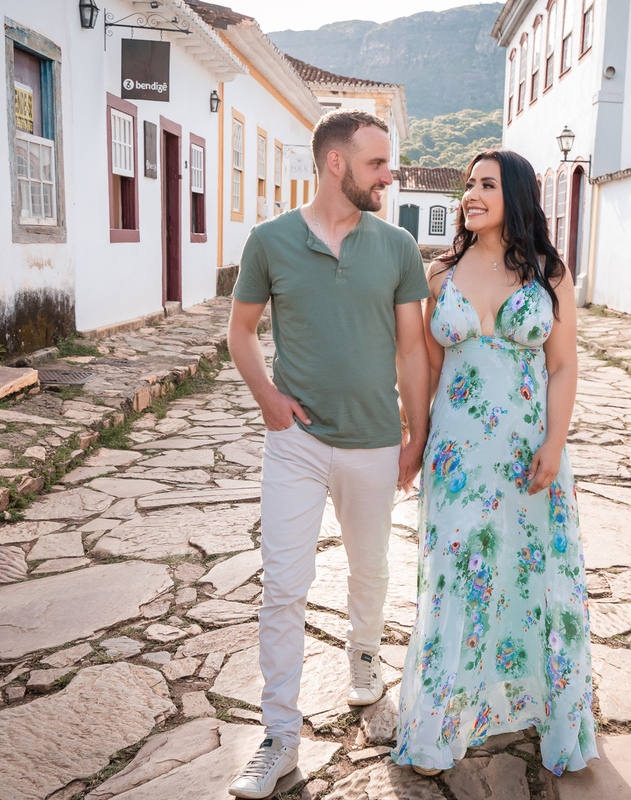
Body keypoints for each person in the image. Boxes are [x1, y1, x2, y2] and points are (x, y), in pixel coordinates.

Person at [226, 109, 431, 799]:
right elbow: (242, 332)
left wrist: (417, 434)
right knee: (284, 585)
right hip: (297, 443)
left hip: (375, 441)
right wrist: (267, 399)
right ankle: (279, 736)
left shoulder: (398, 246)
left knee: (370, 569)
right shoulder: (271, 242)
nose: (388, 175)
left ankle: (364, 658)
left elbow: (411, 348)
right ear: (336, 164)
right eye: (378, 163)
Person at [391, 150, 598, 777]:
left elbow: (562, 365)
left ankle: (541, 708)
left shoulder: (547, 274)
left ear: (515, 192)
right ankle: (440, 719)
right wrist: (417, 436)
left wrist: (555, 445)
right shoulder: (441, 273)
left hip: (528, 450)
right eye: (467, 185)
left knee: (528, 571)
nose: (471, 194)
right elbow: (426, 362)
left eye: (486, 184)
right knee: (458, 572)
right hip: (457, 455)